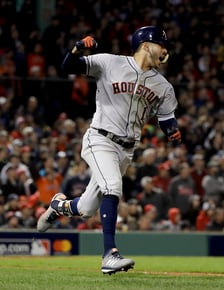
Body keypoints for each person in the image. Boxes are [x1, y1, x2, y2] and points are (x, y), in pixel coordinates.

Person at [37, 26, 182, 274]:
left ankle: (57, 206)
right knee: (113, 187)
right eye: (160, 44)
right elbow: (68, 67)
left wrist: (172, 130)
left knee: (86, 208)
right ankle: (109, 255)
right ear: (146, 46)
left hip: (126, 151)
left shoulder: (163, 86)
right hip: (100, 139)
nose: (165, 49)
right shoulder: (109, 62)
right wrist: (77, 48)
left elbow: (167, 118)